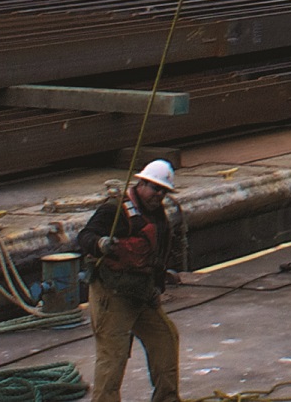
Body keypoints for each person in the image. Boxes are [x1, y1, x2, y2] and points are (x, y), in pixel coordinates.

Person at [74, 157, 187, 402]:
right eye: (155, 188)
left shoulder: (158, 215)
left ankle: (167, 398)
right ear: (141, 183)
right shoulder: (114, 209)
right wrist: (101, 243)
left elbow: (157, 255)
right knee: (112, 357)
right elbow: (84, 237)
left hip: (141, 293)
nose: (159, 195)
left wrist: (158, 286)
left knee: (165, 338)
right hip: (112, 295)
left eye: (164, 191)